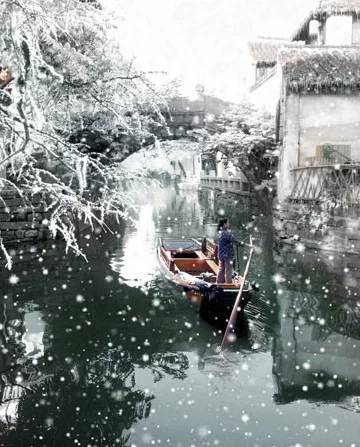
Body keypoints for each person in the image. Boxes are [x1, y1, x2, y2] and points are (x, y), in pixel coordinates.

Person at [216, 218, 235, 284]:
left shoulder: (220, 232)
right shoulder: (226, 233)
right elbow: (233, 240)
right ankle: (229, 285)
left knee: (221, 270)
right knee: (228, 270)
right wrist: (241, 243)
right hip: (228, 255)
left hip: (221, 255)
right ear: (224, 224)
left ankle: (218, 283)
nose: (229, 224)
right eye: (228, 223)